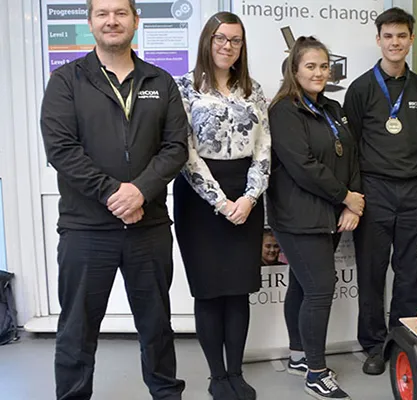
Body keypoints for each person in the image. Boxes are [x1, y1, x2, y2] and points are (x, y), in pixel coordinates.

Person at [39, 0, 188, 398]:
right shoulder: (66, 81)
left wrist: (140, 190)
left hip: (149, 226)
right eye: (103, 13)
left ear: (135, 21)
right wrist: (112, 192)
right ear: (90, 23)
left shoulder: (160, 81)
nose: (112, 20)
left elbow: (175, 148)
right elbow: (61, 149)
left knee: (156, 324)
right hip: (85, 228)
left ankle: (166, 393)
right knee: (77, 329)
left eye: (121, 12)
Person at [173, 12, 270, 400]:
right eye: (220, 38)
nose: (227, 46)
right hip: (199, 201)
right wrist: (220, 201)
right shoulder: (183, 88)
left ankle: (235, 372)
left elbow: (264, 148)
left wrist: (248, 198)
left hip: (246, 193)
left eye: (235, 40)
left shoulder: (254, 89)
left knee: (238, 290)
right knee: (210, 291)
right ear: (206, 41)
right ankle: (217, 376)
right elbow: (185, 152)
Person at [268, 36, 363, 400]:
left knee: (302, 286)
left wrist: (352, 202)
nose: (319, 72)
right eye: (310, 66)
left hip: (330, 213)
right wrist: (346, 197)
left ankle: (298, 356)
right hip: (297, 216)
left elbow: (351, 156)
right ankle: (316, 373)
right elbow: (302, 166)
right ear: (294, 70)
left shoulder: (333, 108)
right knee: (321, 289)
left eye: (324, 66)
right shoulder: (284, 111)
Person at [343, 7, 417, 375]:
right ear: (378, 39)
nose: (395, 42)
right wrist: (354, 195)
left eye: (402, 36)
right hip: (374, 190)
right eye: (388, 36)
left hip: (414, 191)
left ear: (411, 40)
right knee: (372, 272)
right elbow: (348, 147)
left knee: (410, 274)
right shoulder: (361, 88)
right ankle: (373, 344)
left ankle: (402, 338)